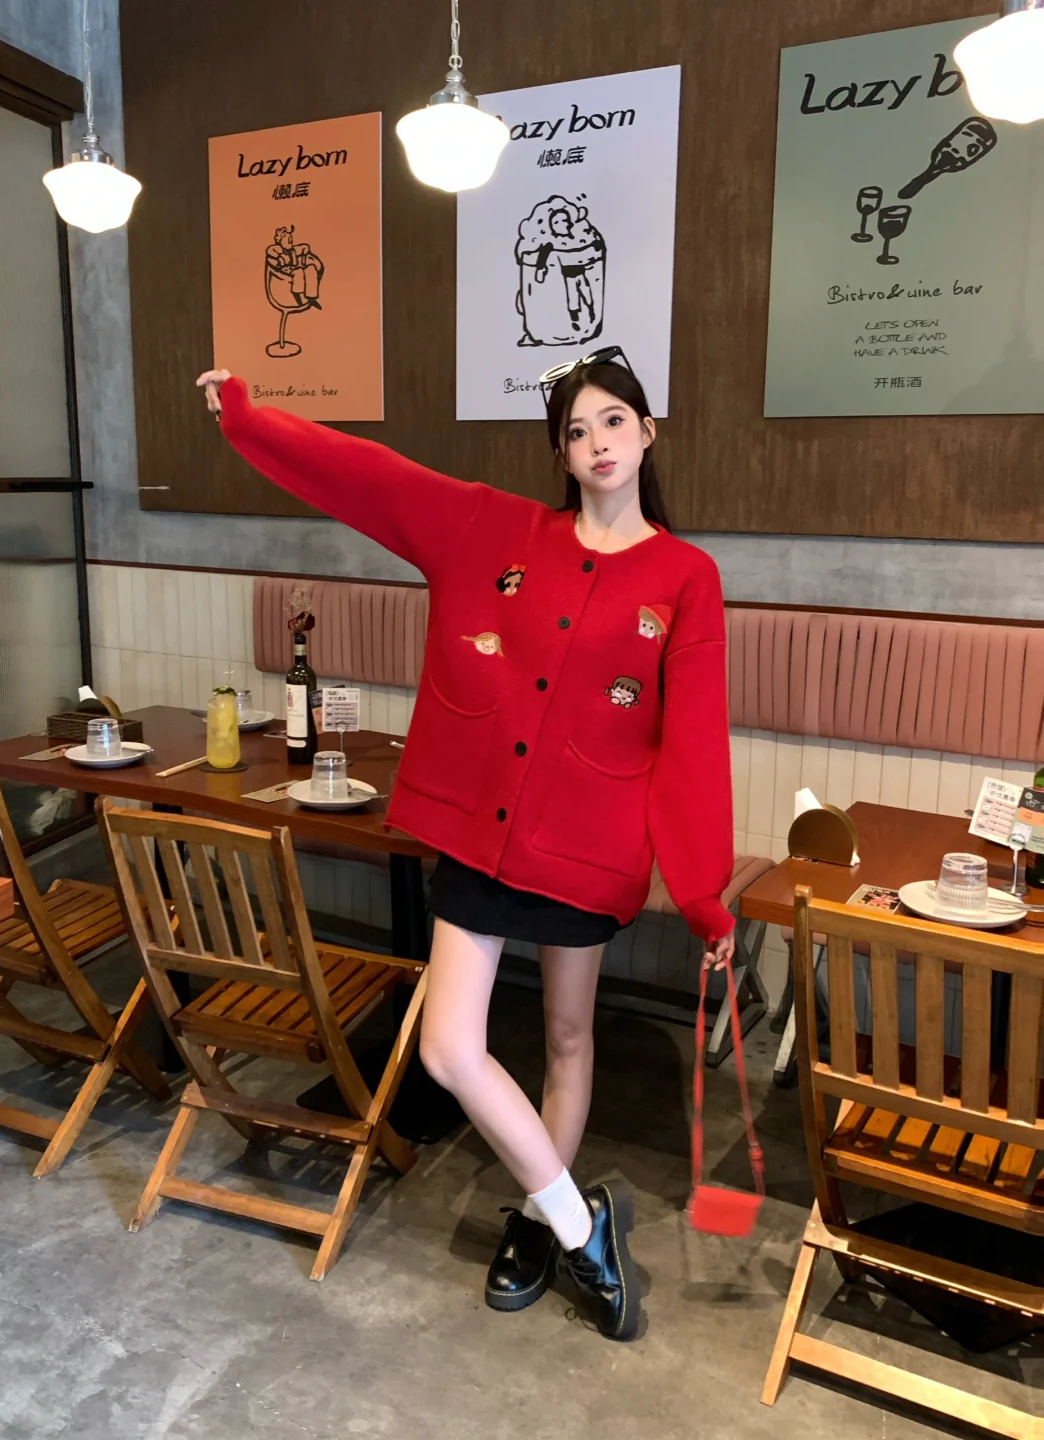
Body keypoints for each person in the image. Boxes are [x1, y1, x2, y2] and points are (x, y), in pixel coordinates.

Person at [197, 348, 735, 1343]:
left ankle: (535, 1218)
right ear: (561, 453)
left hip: (591, 844)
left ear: (648, 432)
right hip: (482, 837)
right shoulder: (495, 529)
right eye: (576, 430)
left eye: (614, 421)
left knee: (568, 1040)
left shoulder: (687, 578)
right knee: (448, 1047)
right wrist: (248, 418)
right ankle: (582, 1227)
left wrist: (703, 895)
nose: (597, 442)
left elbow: (695, 742)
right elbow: (371, 479)